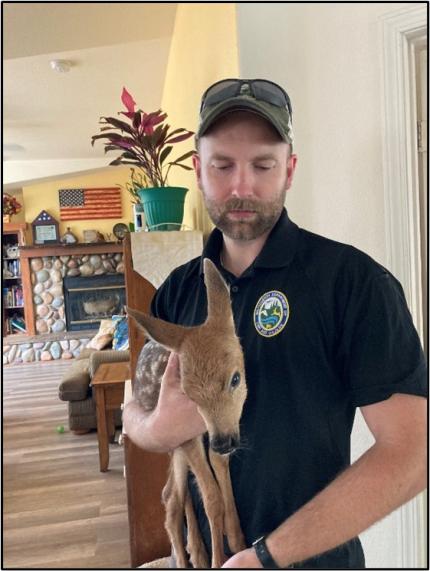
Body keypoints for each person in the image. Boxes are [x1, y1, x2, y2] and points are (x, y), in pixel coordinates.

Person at [123, 78, 427, 569]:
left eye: (262, 164)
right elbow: (131, 408)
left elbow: (412, 455)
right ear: (198, 171)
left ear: (289, 169)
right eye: (222, 165)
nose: (241, 186)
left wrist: (266, 558)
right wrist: (157, 428)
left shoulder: (353, 284)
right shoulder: (177, 289)